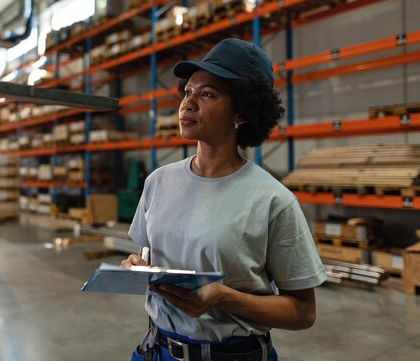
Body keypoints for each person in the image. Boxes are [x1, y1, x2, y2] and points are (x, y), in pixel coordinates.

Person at [121, 38, 327, 361]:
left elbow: (303, 311)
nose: (188, 103)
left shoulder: (272, 200)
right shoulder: (158, 182)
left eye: (207, 94)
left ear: (241, 113)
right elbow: (146, 254)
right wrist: (137, 267)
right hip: (156, 351)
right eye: (188, 92)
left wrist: (224, 298)